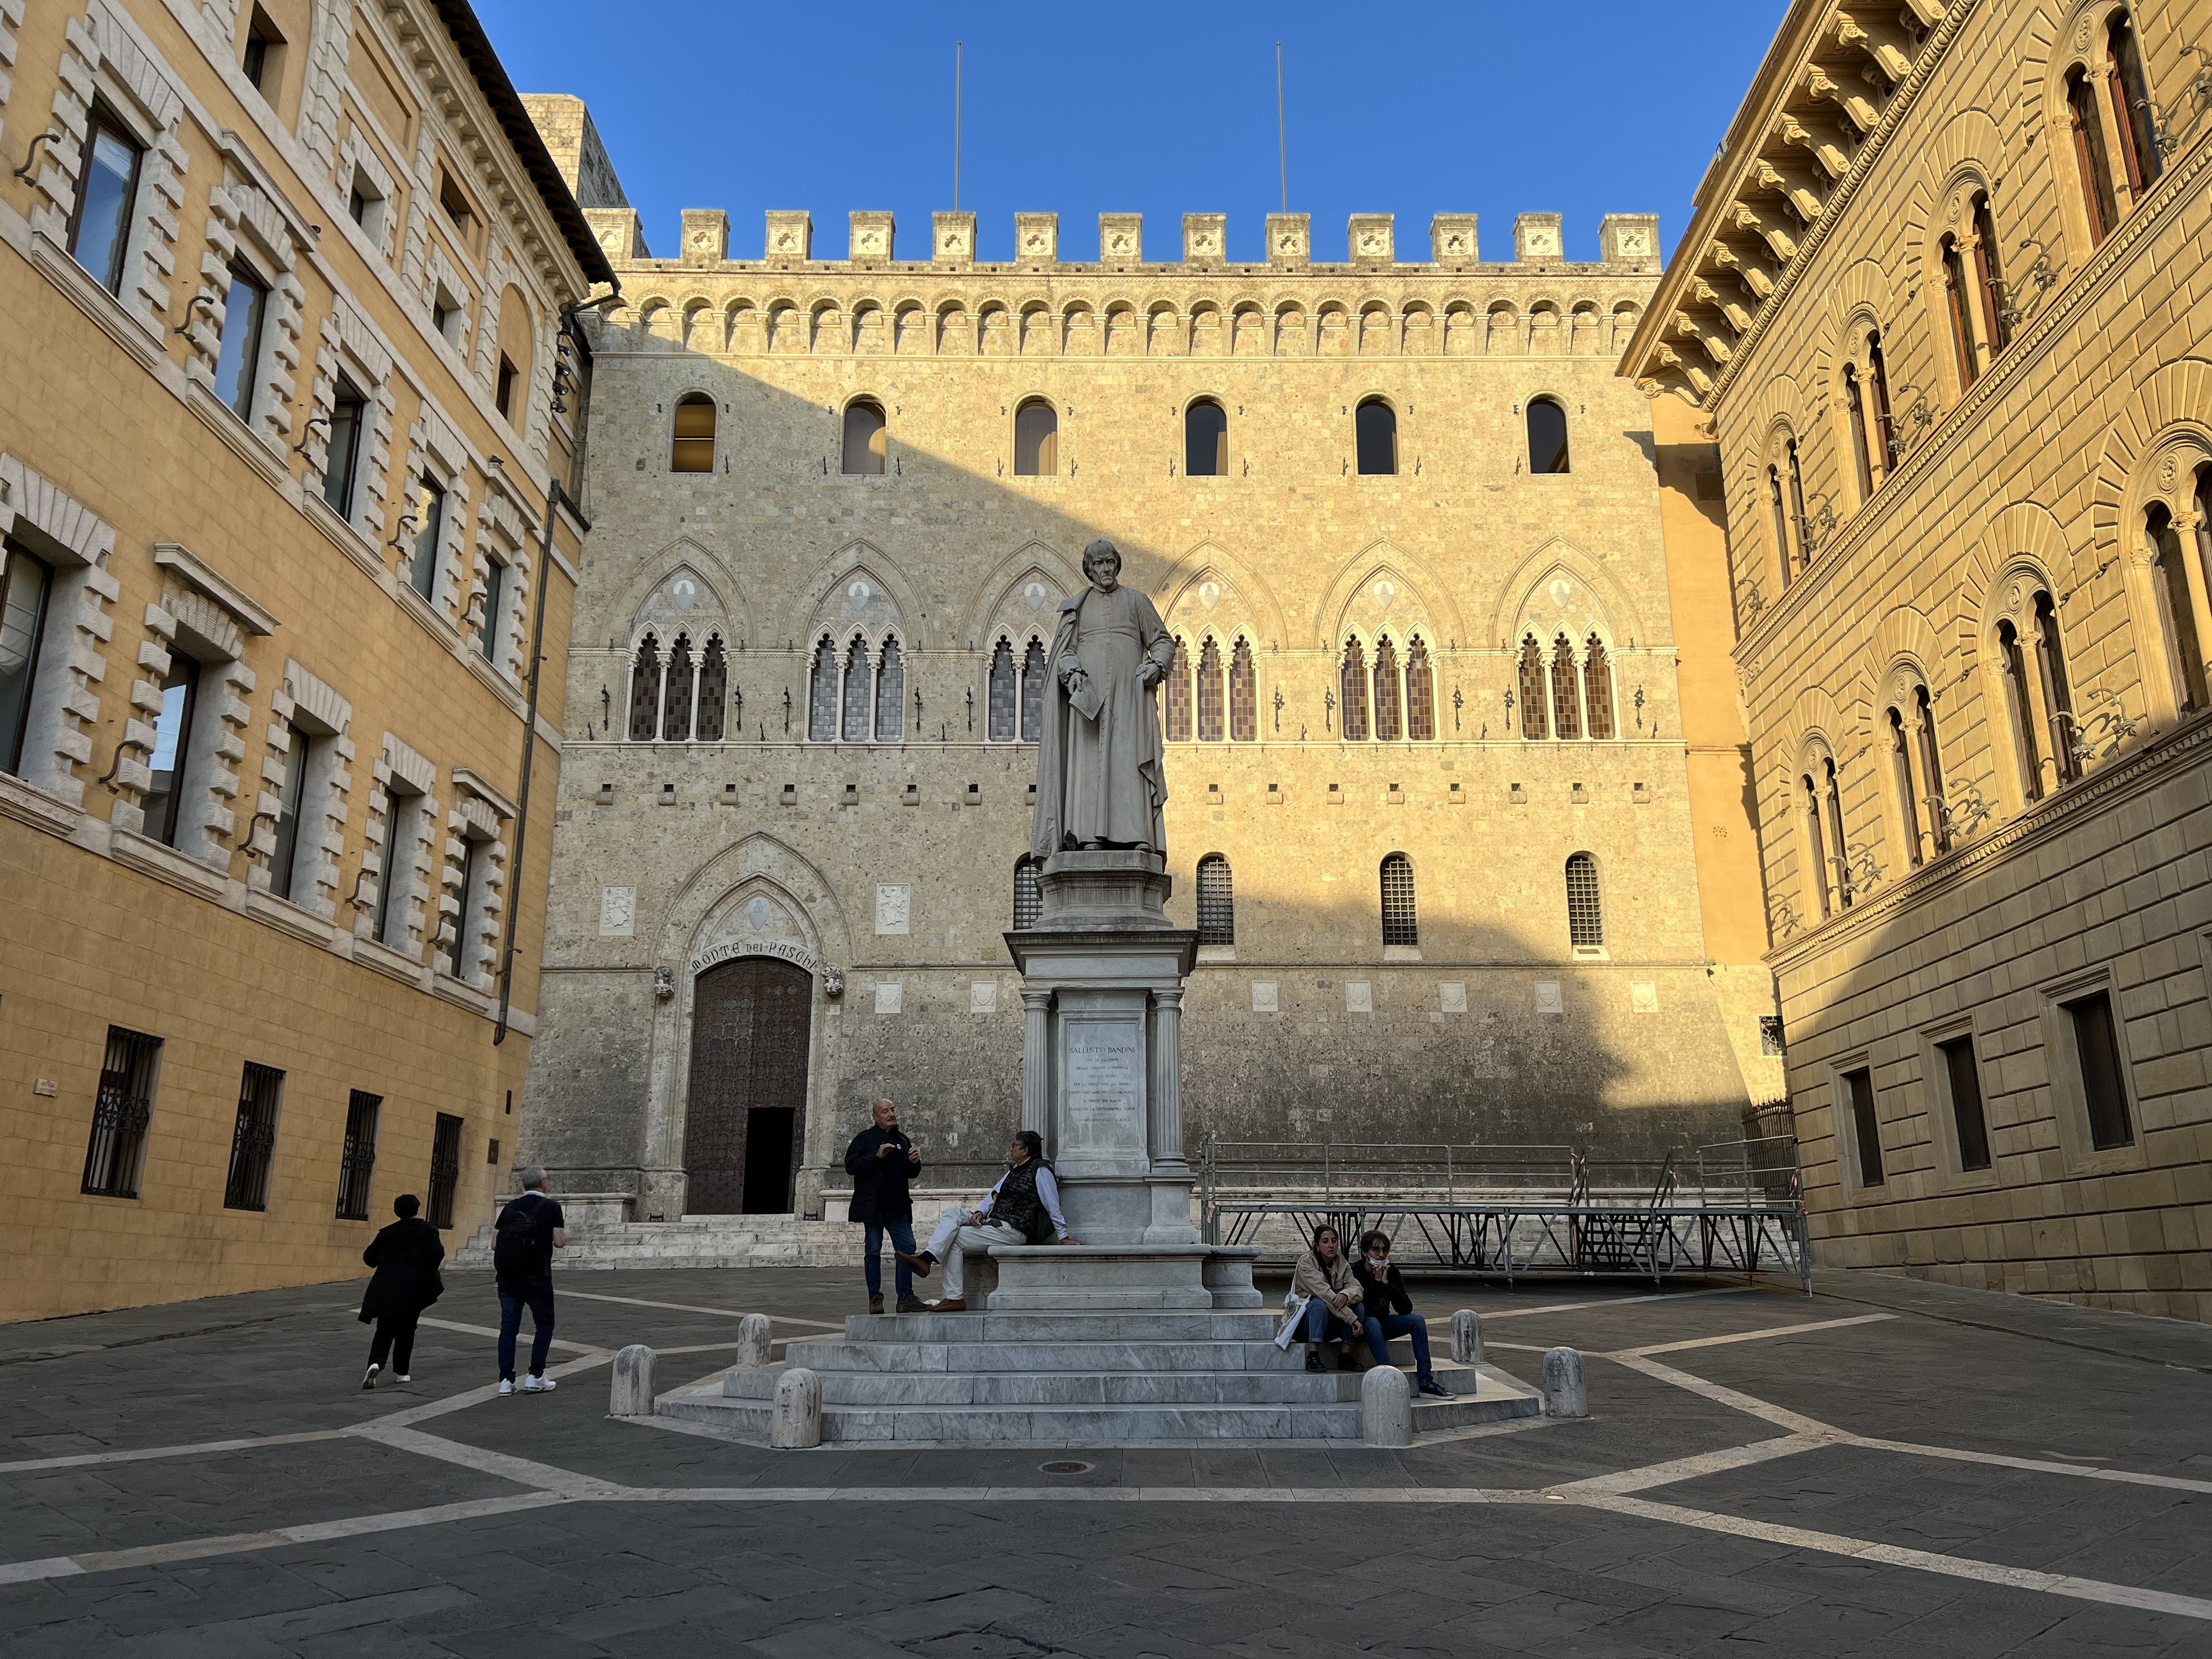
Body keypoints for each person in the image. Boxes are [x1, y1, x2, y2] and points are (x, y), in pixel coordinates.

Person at [1030, 538, 1177, 857]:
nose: (1105, 568)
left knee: (1130, 761)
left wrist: (1156, 664)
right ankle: (1087, 835)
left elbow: (1164, 641)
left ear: (1117, 564)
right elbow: (1064, 652)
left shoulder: (1137, 602)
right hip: (1090, 705)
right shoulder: (1078, 608)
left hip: (1129, 699)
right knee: (1089, 767)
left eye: (1110, 562)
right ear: (1089, 569)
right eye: (1098, 564)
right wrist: (1073, 673)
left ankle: (1139, 835)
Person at [897, 1129, 1083, 1310]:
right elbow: (993, 1195)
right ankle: (928, 1261)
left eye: (1015, 1145)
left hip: (1013, 1230)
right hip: (994, 1225)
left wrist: (1064, 1236)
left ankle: (951, 1295)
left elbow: (1052, 1204)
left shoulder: (1040, 1171)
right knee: (953, 1212)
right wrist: (979, 1212)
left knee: (954, 1239)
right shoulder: (1014, 1172)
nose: (1012, 1149)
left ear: (1025, 1151)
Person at [845, 1097, 924, 1314]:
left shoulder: (903, 1140)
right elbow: (851, 1166)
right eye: (885, 1111)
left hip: (898, 1208)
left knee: (907, 1249)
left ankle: (906, 1298)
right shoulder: (864, 1140)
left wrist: (915, 1163)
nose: (891, 1114)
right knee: (873, 1252)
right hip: (873, 1208)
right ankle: (875, 1298)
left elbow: (910, 1174)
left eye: (893, 1110)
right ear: (876, 1117)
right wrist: (876, 1156)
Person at [492, 1166, 566, 1396]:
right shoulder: (552, 1207)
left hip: (508, 1278)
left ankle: (505, 1381)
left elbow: (495, 1243)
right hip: (537, 1276)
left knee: (508, 1328)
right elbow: (560, 1242)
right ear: (543, 1183)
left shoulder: (510, 1207)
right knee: (544, 1325)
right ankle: (535, 1376)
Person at [1352, 1229, 1453, 1398]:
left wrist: (1387, 1286)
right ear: (1365, 1252)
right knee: (1372, 1322)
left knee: (1417, 1321)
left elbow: (1406, 1309)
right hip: (1361, 1327)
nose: (1382, 1254)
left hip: (1383, 1323)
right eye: (1376, 1250)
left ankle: (1426, 1382)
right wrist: (1376, 1285)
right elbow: (1362, 1309)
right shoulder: (1355, 1272)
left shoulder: (1391, 1272)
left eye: (1385, 1250)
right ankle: (1391, 1378)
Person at [358, 1193, 444, 1390]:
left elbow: (370, 1257)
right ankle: (402, 1372)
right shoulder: (428, 1231)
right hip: (416, 1287)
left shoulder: (388, 1233)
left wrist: (387, 1263)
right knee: (408, 1329)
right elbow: (438, 1253)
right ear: (417, 1209)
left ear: (396, 1211)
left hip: (389, 1286)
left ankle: (376, 1363)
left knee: (385, 1328)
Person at [1291, 1223, 1365, 1372]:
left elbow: (1357, 1288)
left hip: (1330, 1322)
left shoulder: (1341, 1262)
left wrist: (1346, 1294)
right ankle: (1313, 1356)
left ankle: (1345, 1356)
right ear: (1317, 1246)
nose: (1331, 1245)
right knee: (1319, 1303)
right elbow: (1326, 1294)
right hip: (1303, 1325)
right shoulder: (1306, 1262)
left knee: (1358, 1305)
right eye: (1325, 1241)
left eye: (1334, 1240)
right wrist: (1352, 1319)